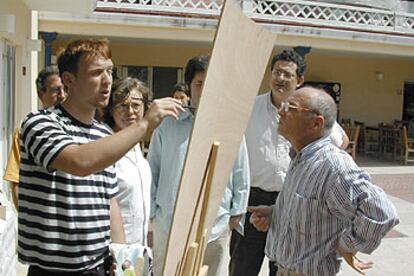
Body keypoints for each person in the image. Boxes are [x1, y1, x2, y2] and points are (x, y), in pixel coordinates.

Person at [18, 39, 183, 275]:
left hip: (99, 266)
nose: (107, 80)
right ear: (68, 80)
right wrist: (144, 125)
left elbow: (109, 200)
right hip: (53, 269)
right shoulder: (41, 123)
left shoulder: (102, 133)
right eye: (96, 73)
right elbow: (79, 162)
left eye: (109, 71)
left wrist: (123, 255)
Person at [249, 87, 399, 276]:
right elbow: (314, 211)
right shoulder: (300, 158)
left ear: (315, 123)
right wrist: (275, 213)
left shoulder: (333, 166)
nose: (281, 111)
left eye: (290, 107)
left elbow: (381, 213)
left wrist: (347, 245)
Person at [229, 49, 348, 276]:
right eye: (276, 72)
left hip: (291, 203)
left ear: (300, 80)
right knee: (241, 267)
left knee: (284, 267)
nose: (280, 79)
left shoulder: (308, 111)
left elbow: (341, 141)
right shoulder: (249, 108)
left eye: (287, 74)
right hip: (252, 202)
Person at [148, 55, 250, 276]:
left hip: (215, 225)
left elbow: (241, 170)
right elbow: (153, 169)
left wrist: (236, 213)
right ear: (189, 86)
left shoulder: (229, 126)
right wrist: (153, 215)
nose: (204, 89)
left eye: (210, 82)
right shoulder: (168, 124)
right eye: (199, 83)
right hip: (169, 222)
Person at [3, 65, 65, 209]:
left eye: (65, 89)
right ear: (40, 94)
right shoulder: (28, 130)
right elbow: (16, 181)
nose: (62, 95)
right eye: (55, 90)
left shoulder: (76, 128)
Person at [102, 77, 151, 246]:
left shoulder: (137, 147)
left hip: (139, 250)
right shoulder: (106, 146)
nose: (130, 111)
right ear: (111, 110)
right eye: (122, 105)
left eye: (136, 105)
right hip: (116, 252)